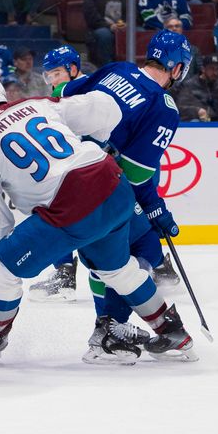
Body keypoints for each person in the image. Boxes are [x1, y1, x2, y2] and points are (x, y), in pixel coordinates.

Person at [0, 70, 196, 367]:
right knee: (117, 269)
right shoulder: (39, 103)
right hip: (113, 182)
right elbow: (103, 110)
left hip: (72, 205)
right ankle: (172, 330)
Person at [48, 30, 196, 363]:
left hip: (61, 177)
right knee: (140, 247)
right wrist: (156, 208)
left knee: (106, 253)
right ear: (176, 68)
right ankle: (110, 328)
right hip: (101, 187)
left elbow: (62, 92)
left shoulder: (118, 68)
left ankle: (109, 326)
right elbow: (136, 172)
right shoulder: (163, 106)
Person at [31, 44, 181, 307]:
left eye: (55, 73)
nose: (51, 80)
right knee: (61, 213)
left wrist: (153, 205)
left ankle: (157, 267)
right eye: (48, 76)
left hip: (119, 173)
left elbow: (138, 169)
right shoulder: (91, 85)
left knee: (136, 229)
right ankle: (68, 273)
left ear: (72, 69)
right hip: (98, 174)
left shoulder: (96, 85)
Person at [84, 0, 126, 67]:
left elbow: (133, 13)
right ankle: (107, 67)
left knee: (139, 31)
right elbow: (92, 18)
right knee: (104, 34)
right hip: (102, 28)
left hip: (123, 27)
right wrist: (110, 26)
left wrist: (127, 24)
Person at [170, 55, 218, 121]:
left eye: (217, 69)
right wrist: (197, 111)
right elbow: (181, 107)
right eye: (211, 68)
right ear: (203, 69)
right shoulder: (189, 85)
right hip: (197, 120)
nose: (215, 72)